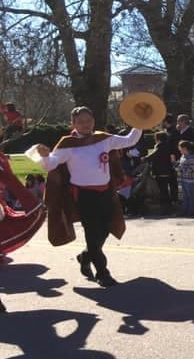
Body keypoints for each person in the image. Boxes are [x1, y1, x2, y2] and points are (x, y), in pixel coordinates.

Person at [33, 106, 141, 286]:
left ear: (94, 121)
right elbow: (50, 164)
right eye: (81, 121)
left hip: (106, 192)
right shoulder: (67, 144)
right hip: (84, 195)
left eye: (88, 121)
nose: (85, 124)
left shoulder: (103, 139)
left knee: (106, 229)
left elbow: (130, 140)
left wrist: (139, 124)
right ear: (73, 123)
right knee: (92, 233)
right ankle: (102, 273)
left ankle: (85, 256)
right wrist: (44, 156)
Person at [176, 140, 194, 216]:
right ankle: (184, 211)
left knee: (190, 196)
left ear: (185, 148)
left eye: (180, 148)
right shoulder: (183, 156)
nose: (179, 150)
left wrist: (182, 170)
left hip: (189, 180)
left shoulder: (191, 157)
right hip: (183, 179)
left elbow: (191, 168)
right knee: (185, 196)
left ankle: (191, 211)